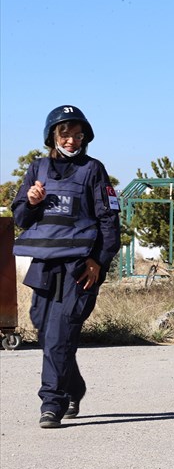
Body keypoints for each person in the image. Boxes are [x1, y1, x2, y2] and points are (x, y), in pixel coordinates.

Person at [12, 105, 121, 428]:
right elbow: (20, 218)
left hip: (80, 267)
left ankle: (51, 403)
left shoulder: (93, 170)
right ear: (53, 136)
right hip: (45, 264)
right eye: (65, 134)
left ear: (85, 137)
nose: (72, 140)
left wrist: (98, 262)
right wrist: (30, 201)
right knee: (44, 330)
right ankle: (73, 387)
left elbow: (109, 222)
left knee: (60, 334)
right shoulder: (37, 169)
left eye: (77, 134)